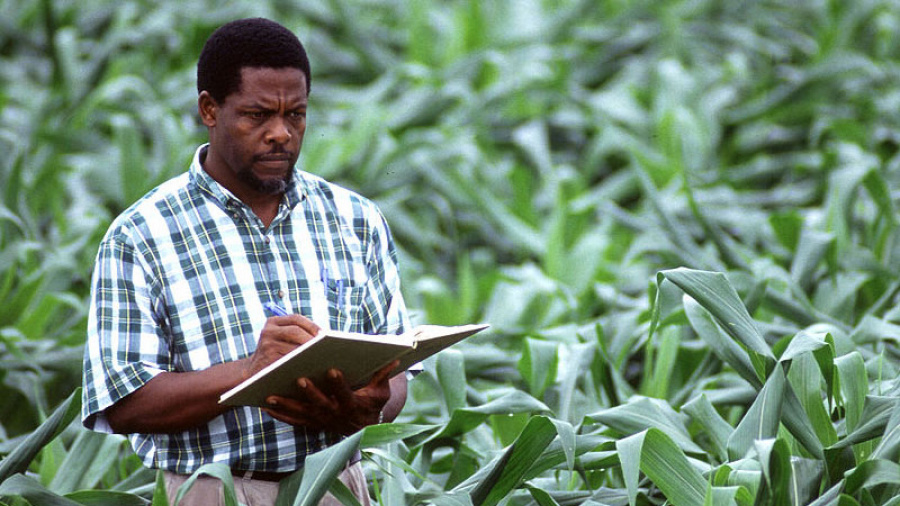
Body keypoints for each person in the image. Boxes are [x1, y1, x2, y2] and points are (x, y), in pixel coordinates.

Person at [81, 17, 410, 505]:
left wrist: (369, 404)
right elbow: (126, 402)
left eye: (295, 115)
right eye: (257, 116)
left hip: (335, 487)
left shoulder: (355, 219)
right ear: (209, 109)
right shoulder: (141, 234)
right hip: (211, 491)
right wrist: (253, 371)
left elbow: (396, 369)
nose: (281, 133)